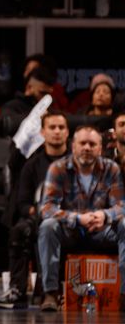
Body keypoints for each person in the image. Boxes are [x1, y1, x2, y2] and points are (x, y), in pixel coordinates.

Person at [38, 126, 125, 311]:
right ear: (73, 146)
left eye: (92, 144)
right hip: (71, 230)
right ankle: (50, 294)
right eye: (82, 143)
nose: (87, 147)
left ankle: (124, 294)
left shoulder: (111, 168)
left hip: (101, 231)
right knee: (47, 226)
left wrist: (104, 215)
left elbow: (121, 206)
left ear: (100, 148)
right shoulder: (58, 168)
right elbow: (47, 208)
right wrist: (77, 218)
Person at [0, 110, 69, 309]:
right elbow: (23, 203)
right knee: (20, 230)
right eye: (52, 127)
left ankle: (52, 292)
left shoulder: (74, 163)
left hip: (67, 218)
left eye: (61, 128)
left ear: (67, 133)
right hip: (37, 216)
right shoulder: (31, 165)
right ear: (42, 133)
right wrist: (39, 213)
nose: (57, 132)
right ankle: (17, 289)